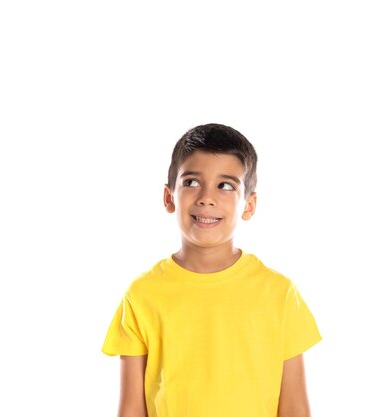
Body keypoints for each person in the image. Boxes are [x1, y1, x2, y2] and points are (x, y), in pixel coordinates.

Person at [102, 123, 322, 417]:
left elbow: (294, 406)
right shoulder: (142, 295)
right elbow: (131, 408)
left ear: (249, 205)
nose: (207, 197)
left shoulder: (279, 293)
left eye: (226, 186)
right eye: (192, 182)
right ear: (169, 197)